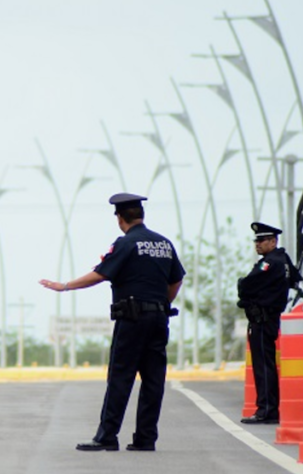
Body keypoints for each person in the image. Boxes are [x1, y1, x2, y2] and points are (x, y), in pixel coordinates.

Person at [39, 192, 185, 452]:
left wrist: (65, 286)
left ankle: (107, 436)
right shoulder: (164, 243)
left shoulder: (126, 243)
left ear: (120, 218)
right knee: (153, 379)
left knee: (120, 376)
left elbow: (100, 274)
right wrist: (162, 303)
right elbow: (176, 280)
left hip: (132, 319)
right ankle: (145, 439)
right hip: (159, 318)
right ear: (142, 215)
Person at [237, 222, 301, 425]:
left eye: (262, 240)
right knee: (266, 365)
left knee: (263, 366)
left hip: (262, 319)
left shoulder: (269, 263)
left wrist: (245, 289)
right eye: (256, 240)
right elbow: (295, 280)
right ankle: (268, 408)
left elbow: (246, 284)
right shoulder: (283, 260)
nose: (258, 244)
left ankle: (266, 410)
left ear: (273, 242)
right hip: (270, 317)